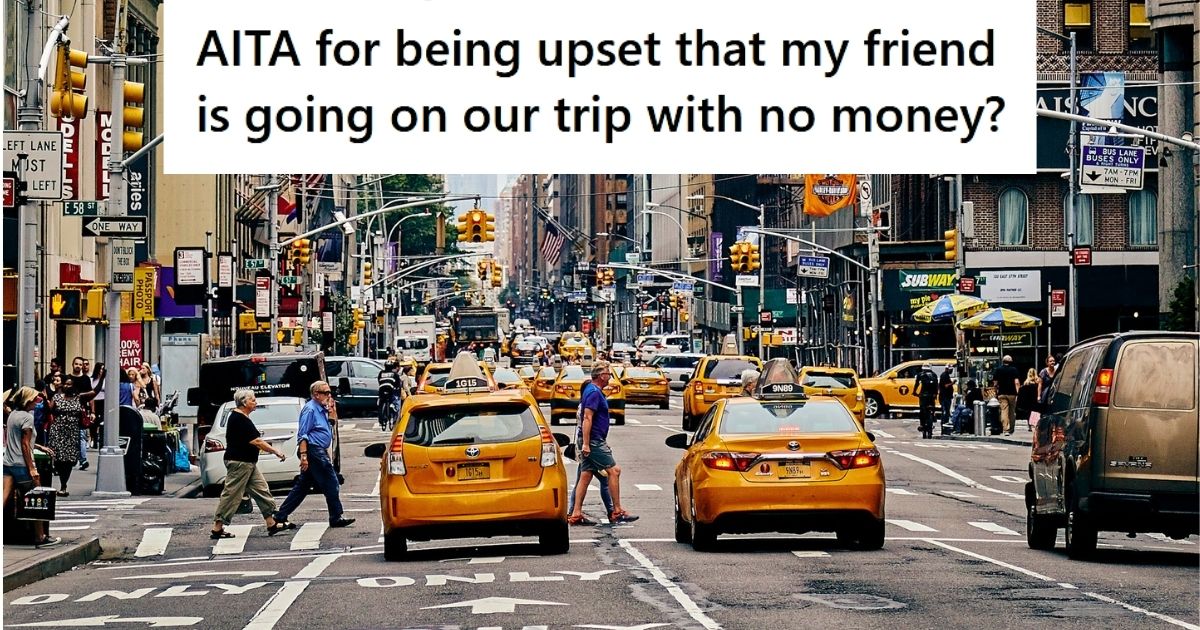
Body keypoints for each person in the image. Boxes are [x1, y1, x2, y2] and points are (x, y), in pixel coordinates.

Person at [210, 389, 292, 539]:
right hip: (240, 463)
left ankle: (271, 522)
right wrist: (276, 451)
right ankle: (217, 527)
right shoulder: (239, 419)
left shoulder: (241, 417)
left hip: (248, 462)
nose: (256, 402)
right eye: (253, 400)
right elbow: (256, 441)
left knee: (261, 490)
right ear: (244, 402)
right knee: (231, 495)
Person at [272, 381, 355, 529]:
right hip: (312, 450)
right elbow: (302, 434)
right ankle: (336, 517)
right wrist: (304, 456)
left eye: (330, 392)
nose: (329, 395)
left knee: (303, 486)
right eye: (325, 393)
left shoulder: (322, 407)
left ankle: (280, 515)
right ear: (316, 394)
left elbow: (332, 423)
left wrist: (332, 409)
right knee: (332, 482)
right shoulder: (310, 409)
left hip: (319, 450)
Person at [568, 362, 638, 526]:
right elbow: (587, 418)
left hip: (591, 440)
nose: (610, 377)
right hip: (593, 441)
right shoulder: (593, 392)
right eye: (608, 374)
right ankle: (617, 511)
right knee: (614, 471)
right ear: (601, 375)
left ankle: (576, 513)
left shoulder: (591, 390)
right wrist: (586, 443)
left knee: (585, 476)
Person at [4, 387, 59, 547]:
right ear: (27, 400)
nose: (38, 402)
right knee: (36, 500)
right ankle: (40, 536)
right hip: (22, 465)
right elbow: (25, 444)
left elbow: (19, 439)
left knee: (3, 498)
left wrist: (40, 447)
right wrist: (32, 469)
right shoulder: (27, 418)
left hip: (8, 463)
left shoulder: (12, 415)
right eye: (35, 399)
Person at [47, 378, 95, 496]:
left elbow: (94, 392)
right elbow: (49, 410)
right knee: (57, 459)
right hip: (58, 432)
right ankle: (60, 480)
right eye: (66, 384)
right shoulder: (56, 397)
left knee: (69, 461)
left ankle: (64, 484)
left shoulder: (79, 397)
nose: (67, 386)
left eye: (70, 384)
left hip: (72, 433)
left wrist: (103, 378)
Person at [991, 355, 1022, 435]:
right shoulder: (1014, 370)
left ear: (1003, 361)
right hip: (1012, 393)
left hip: (1002, 393)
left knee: (1004, 411)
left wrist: (996, 391)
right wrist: (1018, 393)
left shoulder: (998, 370)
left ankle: (1006, 429)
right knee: (1012, 412)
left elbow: (995, 383)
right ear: (1011, 361)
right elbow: (1017, 382)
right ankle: (1011, 429)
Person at [912, 363, 940, 439]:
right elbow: (937, 385)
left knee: (922, 410)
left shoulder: (920, 374)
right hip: (932, 396)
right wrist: (935, 394)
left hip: (923, 396)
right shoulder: (934, 375)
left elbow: (917, 384)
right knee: (932, 408)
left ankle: (922, 424)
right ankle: (933, 416)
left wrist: (914, 392)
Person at [377, 358, 400, 430]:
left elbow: (379, 381)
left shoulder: (381, 373)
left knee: (380, 405)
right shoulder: (394, 374)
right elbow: (398, 384)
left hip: (382, 390)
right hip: (391, 390)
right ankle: (392, 409)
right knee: (393, 400)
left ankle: (382, 421)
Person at [89, 363, 106, 450]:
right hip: (94, 401)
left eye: (103, 369)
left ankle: (102, 441)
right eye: (100, 368)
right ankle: (94, 440)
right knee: (93, 423)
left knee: (102, 422)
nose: (102, 370)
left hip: (104, 401)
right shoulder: (92, 380)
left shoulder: (106, 380)